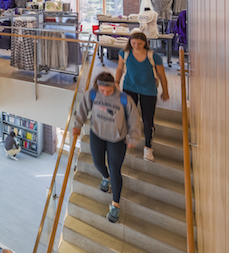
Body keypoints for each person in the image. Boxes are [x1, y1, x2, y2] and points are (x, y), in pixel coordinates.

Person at [72, 72, 142, 223]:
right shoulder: (92, 94)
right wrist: (78, 125)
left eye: (108, 91)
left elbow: (134, 118)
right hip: (97, 134)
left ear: (114, 86)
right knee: (97, 162)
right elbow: (83, 109)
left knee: (115, 169)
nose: (104, 93)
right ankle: (106, 177)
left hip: (117, 139)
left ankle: (115, 205)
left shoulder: (124, 99)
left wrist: (134, 137)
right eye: (102, 90)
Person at [115, 31, 169, 162]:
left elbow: (161, 75)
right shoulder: (124, 53)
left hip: (148, 90)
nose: (136, 46)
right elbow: (120, 69)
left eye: (139, 43)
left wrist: (165, 91)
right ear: (130, 43)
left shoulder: (153, 56)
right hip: (129, 88)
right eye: (133, 43)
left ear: (145, 43)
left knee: (147, 120)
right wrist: (116, 82)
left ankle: (148, 147)